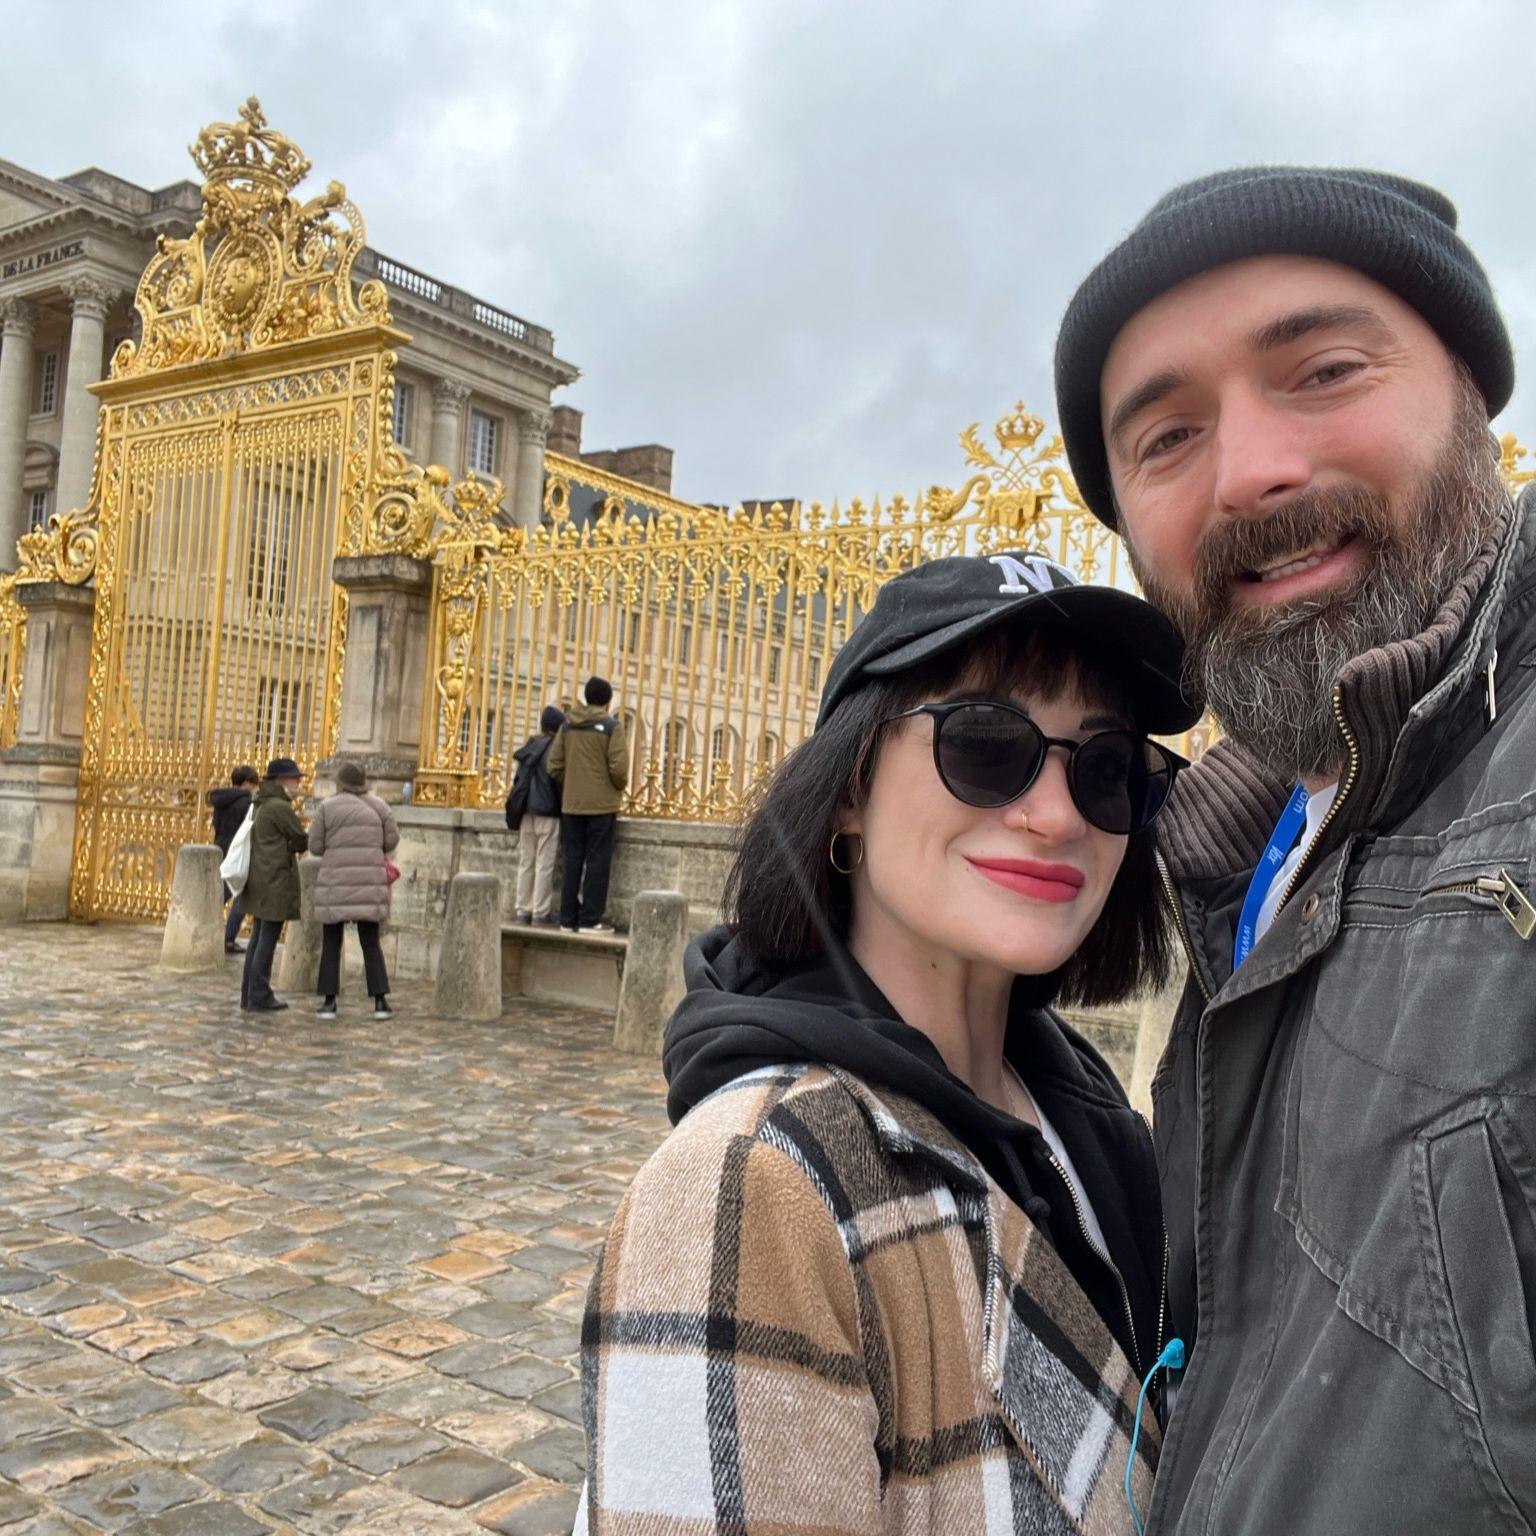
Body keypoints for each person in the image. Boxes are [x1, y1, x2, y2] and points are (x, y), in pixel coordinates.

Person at [1054, 168, 1536, 1533]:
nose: (1250, 470)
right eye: (1165, 439)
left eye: (1323, 370)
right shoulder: (1255, 837)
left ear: (1470, 393)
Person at [578, 551, 1201, 1532]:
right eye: (989, 745)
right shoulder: (749, 1187)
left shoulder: (1079, 1114)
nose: (1054, 815)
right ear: (849, 792)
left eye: (1105, 767)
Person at [308, 759, 399, 1021]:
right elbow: (391, 840)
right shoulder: (380, 806)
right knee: (370, 943)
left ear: (340, 784)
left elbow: (315, 846)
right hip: (369, 881)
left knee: (331, 943)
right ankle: (380, 1002)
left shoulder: (327, 807)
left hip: (335, 882)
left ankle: (328, 1002)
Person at [548, 675, 627, 934]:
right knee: (597, 862)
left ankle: (567, 918)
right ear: (607, 701)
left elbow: (554, 765)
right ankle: (590, 919)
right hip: (601, 806)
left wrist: (572, 784)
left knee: (572, 860)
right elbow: (619, 768)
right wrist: (612, 787)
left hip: (571, 805)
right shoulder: (611, 726)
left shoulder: (567, 725)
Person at [241, 757, 308, 1014]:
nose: (299, 782)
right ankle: (259, 994)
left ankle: (249, 993)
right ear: (281, 780)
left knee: (258, 937)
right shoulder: (279, 806)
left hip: (261, 877)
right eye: (295, 778)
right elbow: (300, 840)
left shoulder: (261, 803)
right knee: (266, 938)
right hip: (274, 879)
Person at [510, 704, 565, 925]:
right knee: (544, 863)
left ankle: (522, 910)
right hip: (547, 811)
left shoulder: (530, 746)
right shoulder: (554, 749)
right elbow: (558, 781)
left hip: (526, 811)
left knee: (526, 861)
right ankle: (540, 912)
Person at [208, 764, 257, 953]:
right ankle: (228, 939)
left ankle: (206, 924)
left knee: (221, 892)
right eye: (252, 783)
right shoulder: (246, 803)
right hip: (237, 851)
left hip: (220, 846)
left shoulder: (221, 800)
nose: (254, 787)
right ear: (245, 783)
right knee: (240, 894)